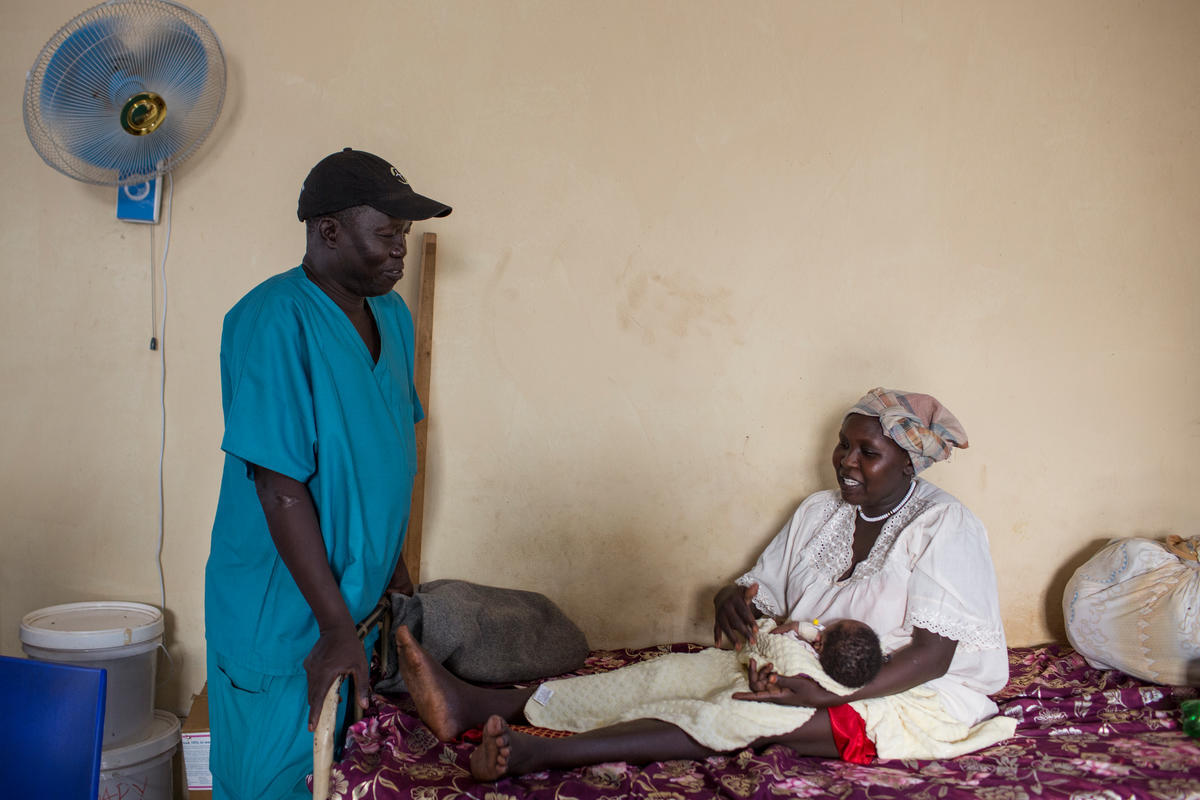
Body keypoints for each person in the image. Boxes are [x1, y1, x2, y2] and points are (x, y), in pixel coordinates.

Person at [394, 387, 1014, 780]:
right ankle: (483, 705)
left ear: (908, 461)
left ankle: (537, 752)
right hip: (806, 663)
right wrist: (734, 602)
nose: (845, 462)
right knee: (666, 674)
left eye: (866, 453)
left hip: (913, 694)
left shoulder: (946, 527)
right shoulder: (821, 512)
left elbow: (933, 657)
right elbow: (758, 591)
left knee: (738, 712)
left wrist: (825, 697)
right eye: (842, 446)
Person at [204, 148, 451, 800]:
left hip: (353, 619)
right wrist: (335, 626)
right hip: (283, 619)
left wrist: (392, 575)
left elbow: (386, 453)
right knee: (273, 781)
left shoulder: (391, 318)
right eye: (388, 234)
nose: (401, 250)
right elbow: (279, 487)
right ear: (329, 231)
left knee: (341, 781)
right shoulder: (271, 320)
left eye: (405, 236)